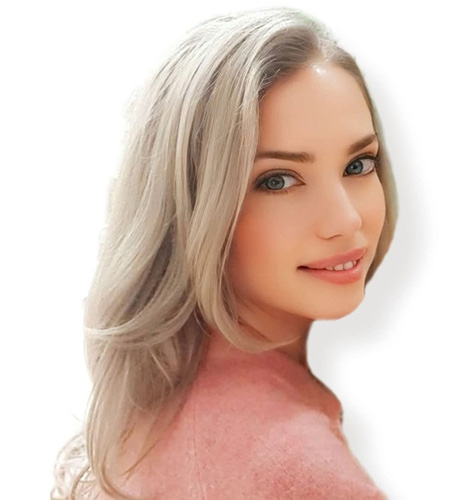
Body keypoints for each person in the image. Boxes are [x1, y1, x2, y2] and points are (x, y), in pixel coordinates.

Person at [51, 6, 398, 500]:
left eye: (359, 165)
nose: (346, 219)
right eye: (277, 180)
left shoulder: (156, 407)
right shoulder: (302, 473)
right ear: (190, 206)